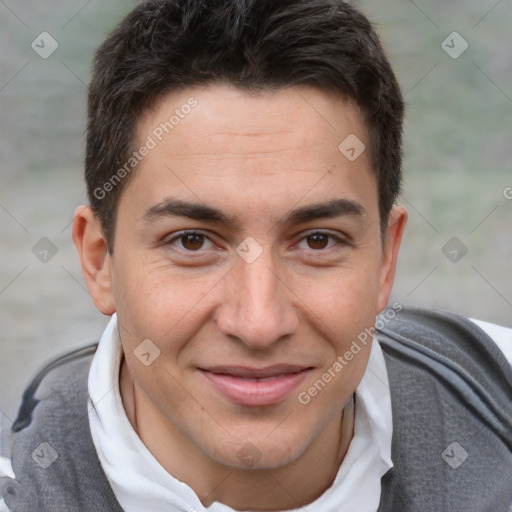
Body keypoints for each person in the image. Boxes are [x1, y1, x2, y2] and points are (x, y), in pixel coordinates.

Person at [1, 0, 511, 511]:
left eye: (317, 240)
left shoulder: (497, 386)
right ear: (99, 260)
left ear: (385, 257)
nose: (259, 323)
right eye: (193, 241)